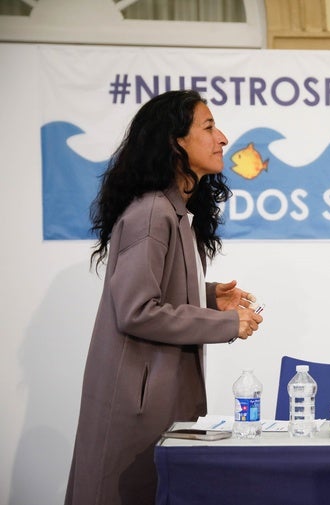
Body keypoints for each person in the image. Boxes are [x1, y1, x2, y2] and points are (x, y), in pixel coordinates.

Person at [65, 89, 262, 505]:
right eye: (208, 127)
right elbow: (137, 310)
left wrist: (209, 298)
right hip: (137, 411)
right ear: (176, 141)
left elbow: (152, 291)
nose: (222, 137)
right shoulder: (153, 212)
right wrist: (227, 323)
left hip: (156, 402)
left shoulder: (172, 212)